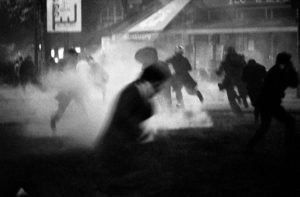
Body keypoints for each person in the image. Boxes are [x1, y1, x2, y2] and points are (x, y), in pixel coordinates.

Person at [94, 64, 171, 180]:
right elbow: (122, 114)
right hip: (114, 150)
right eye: (160, 85)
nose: (160, 90)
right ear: (154, 82)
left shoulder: (140, 93)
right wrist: (140, 132)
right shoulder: (134, 91)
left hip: (120, 150)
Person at [246, 52, 299, 153]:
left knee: (265, 126)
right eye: (288, 61)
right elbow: (293, 83)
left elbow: (292, 83)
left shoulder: (277, 70)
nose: (290, 63)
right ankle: (289, 147)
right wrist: (292, 70)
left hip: (267, 102)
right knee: (289, 122)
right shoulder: (278, 72)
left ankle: (250, 146)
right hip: (269, 103)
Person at [50, 48, 79, 133]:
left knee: (82, 104)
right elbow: (59, 73)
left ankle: (86, 124)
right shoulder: (63, 62)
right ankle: (53, 121)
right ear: (70, 55)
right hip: (65, 90)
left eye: (76, 57)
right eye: (75, 56)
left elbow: (74, 74)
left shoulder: (73, 63)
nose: (76, 58)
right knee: (61, 109)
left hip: (73, 88)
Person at [216, 46, 248, 114]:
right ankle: (243, 98)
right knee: (243, 90)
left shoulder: (225, 61)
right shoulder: (240, 58)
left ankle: (238, 112)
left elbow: (219, 72)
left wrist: (217, 72)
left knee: (231, 98)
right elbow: (246, 67)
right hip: (241, 78)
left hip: (230, 79)